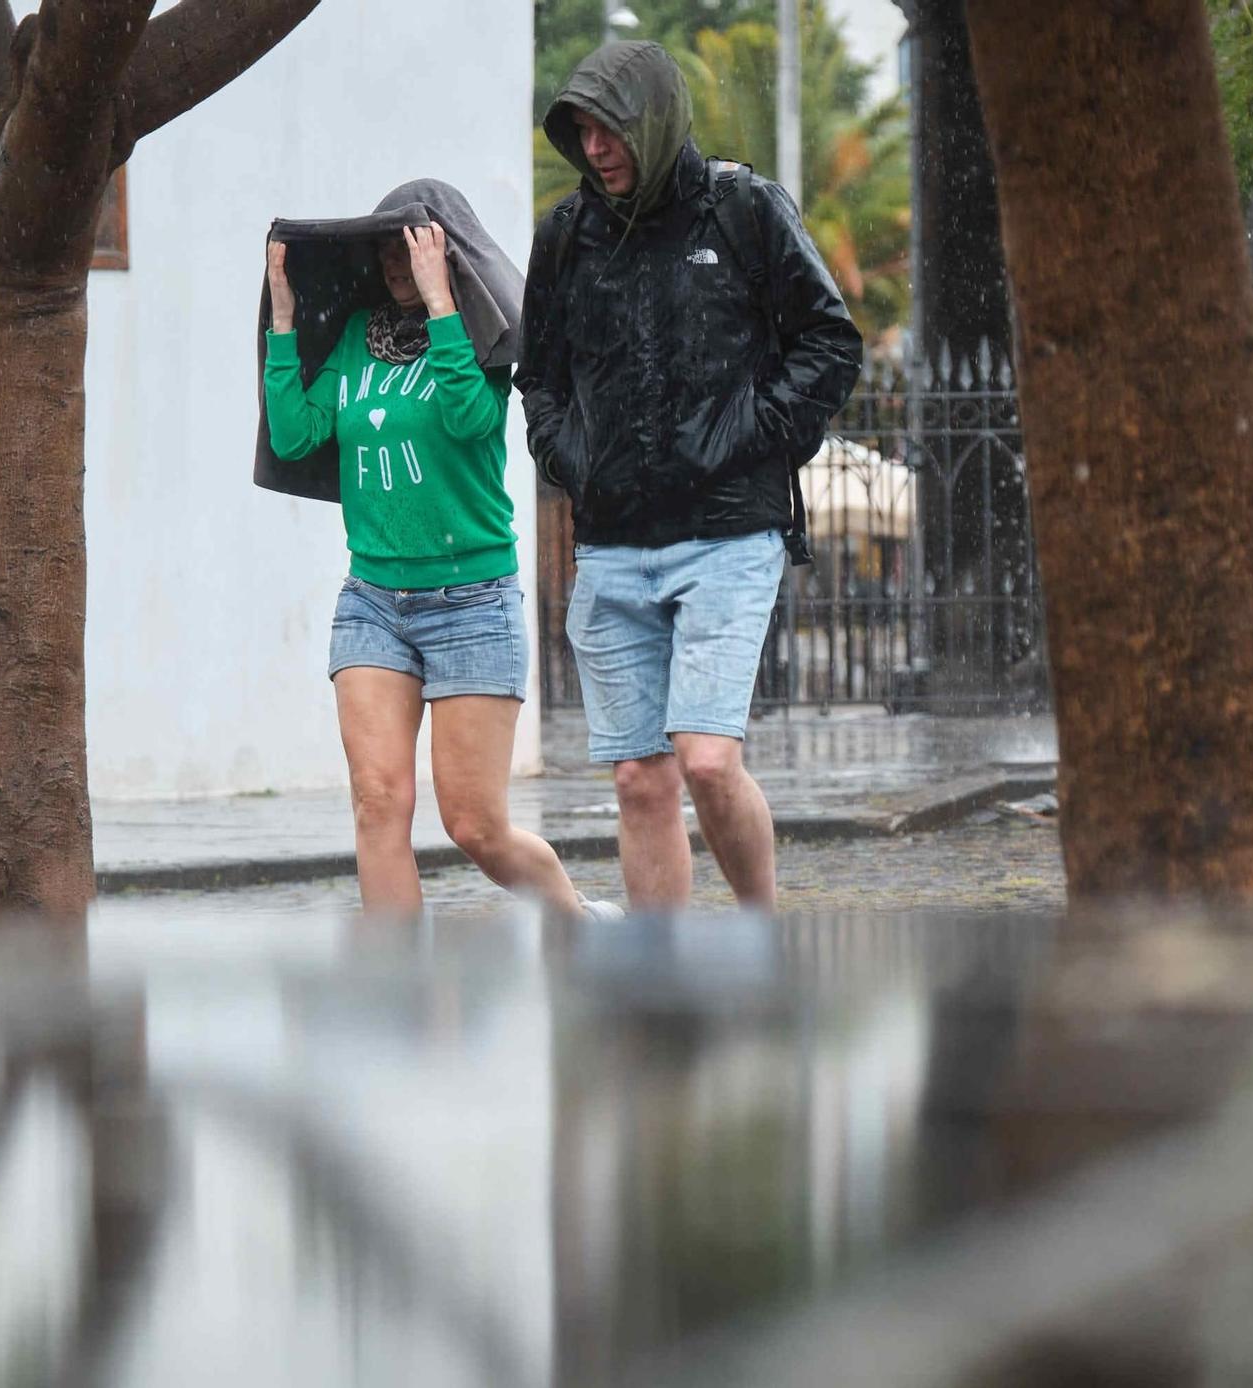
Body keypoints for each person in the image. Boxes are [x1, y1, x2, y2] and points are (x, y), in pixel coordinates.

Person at [518, 42, 863, 912]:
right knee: (640, 778)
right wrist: (571, 458)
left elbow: (830, 342)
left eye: (613, 128)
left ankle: (760, 933)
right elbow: (540, 376)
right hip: (612, 544)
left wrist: (752, 434)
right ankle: (661, 982)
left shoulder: (742, 211)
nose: (596, 148)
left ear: (659, 119)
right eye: (583, 130)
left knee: (707, 760)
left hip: (729, 536)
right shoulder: (565, 238)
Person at [262, 186, 617, 922]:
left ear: (447, 253)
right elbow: (296, 436)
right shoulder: (359, 334)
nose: (396, 260)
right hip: (373, 603)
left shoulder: (481, 339)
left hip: (473, 606)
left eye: (413, 246)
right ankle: (397, 992)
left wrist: (442, 306)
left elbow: (468, 420)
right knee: (377, 801)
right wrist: (285, 326)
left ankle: (577, 921)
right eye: (386, 247)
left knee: (474, 827)